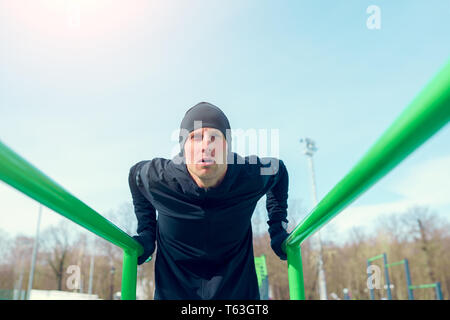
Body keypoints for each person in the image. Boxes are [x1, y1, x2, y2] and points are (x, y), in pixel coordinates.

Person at [128, 101, 289, 300]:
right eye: (195, 137)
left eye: (214, 137)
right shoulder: (161, 178)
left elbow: (279, 171)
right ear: (183, 148)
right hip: (175, 293)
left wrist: (277, 229)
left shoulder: (247, 175)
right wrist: (146, 233)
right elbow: (134, 176)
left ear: (227, 146)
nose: (206, 146)